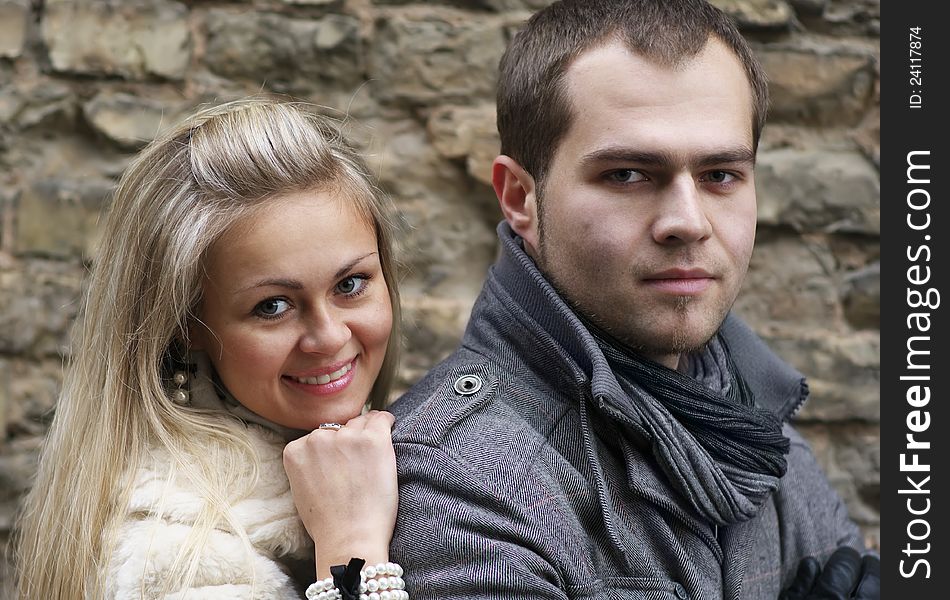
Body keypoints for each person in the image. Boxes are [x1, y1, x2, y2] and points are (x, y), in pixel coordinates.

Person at [387, 1, 879, 598]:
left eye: (720, 174)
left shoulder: (755, 429)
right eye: (627, 175)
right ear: (520, 197)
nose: (687, 222)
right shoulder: (459, 479)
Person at [14, 99, 408, 599]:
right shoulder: (178, 558)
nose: (329, 336)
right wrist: (352, 556)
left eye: (350, 284)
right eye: (272, 306)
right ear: (185, 325)